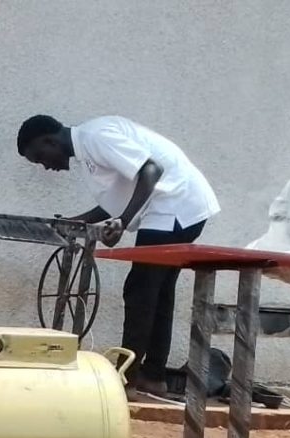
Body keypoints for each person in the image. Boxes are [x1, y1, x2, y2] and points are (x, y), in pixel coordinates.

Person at [16, 114, 220, 398]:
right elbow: (120, 198)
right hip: (176, 206)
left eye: (40, 157)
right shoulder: (88, 150)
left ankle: (127, 380)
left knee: (140, 290)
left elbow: (151, 170)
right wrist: (79, 221)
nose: (45, 166)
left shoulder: (96, 138)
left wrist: (122, 222)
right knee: (157, 292)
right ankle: (153, 377)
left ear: (50, 141)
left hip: (174, 206)